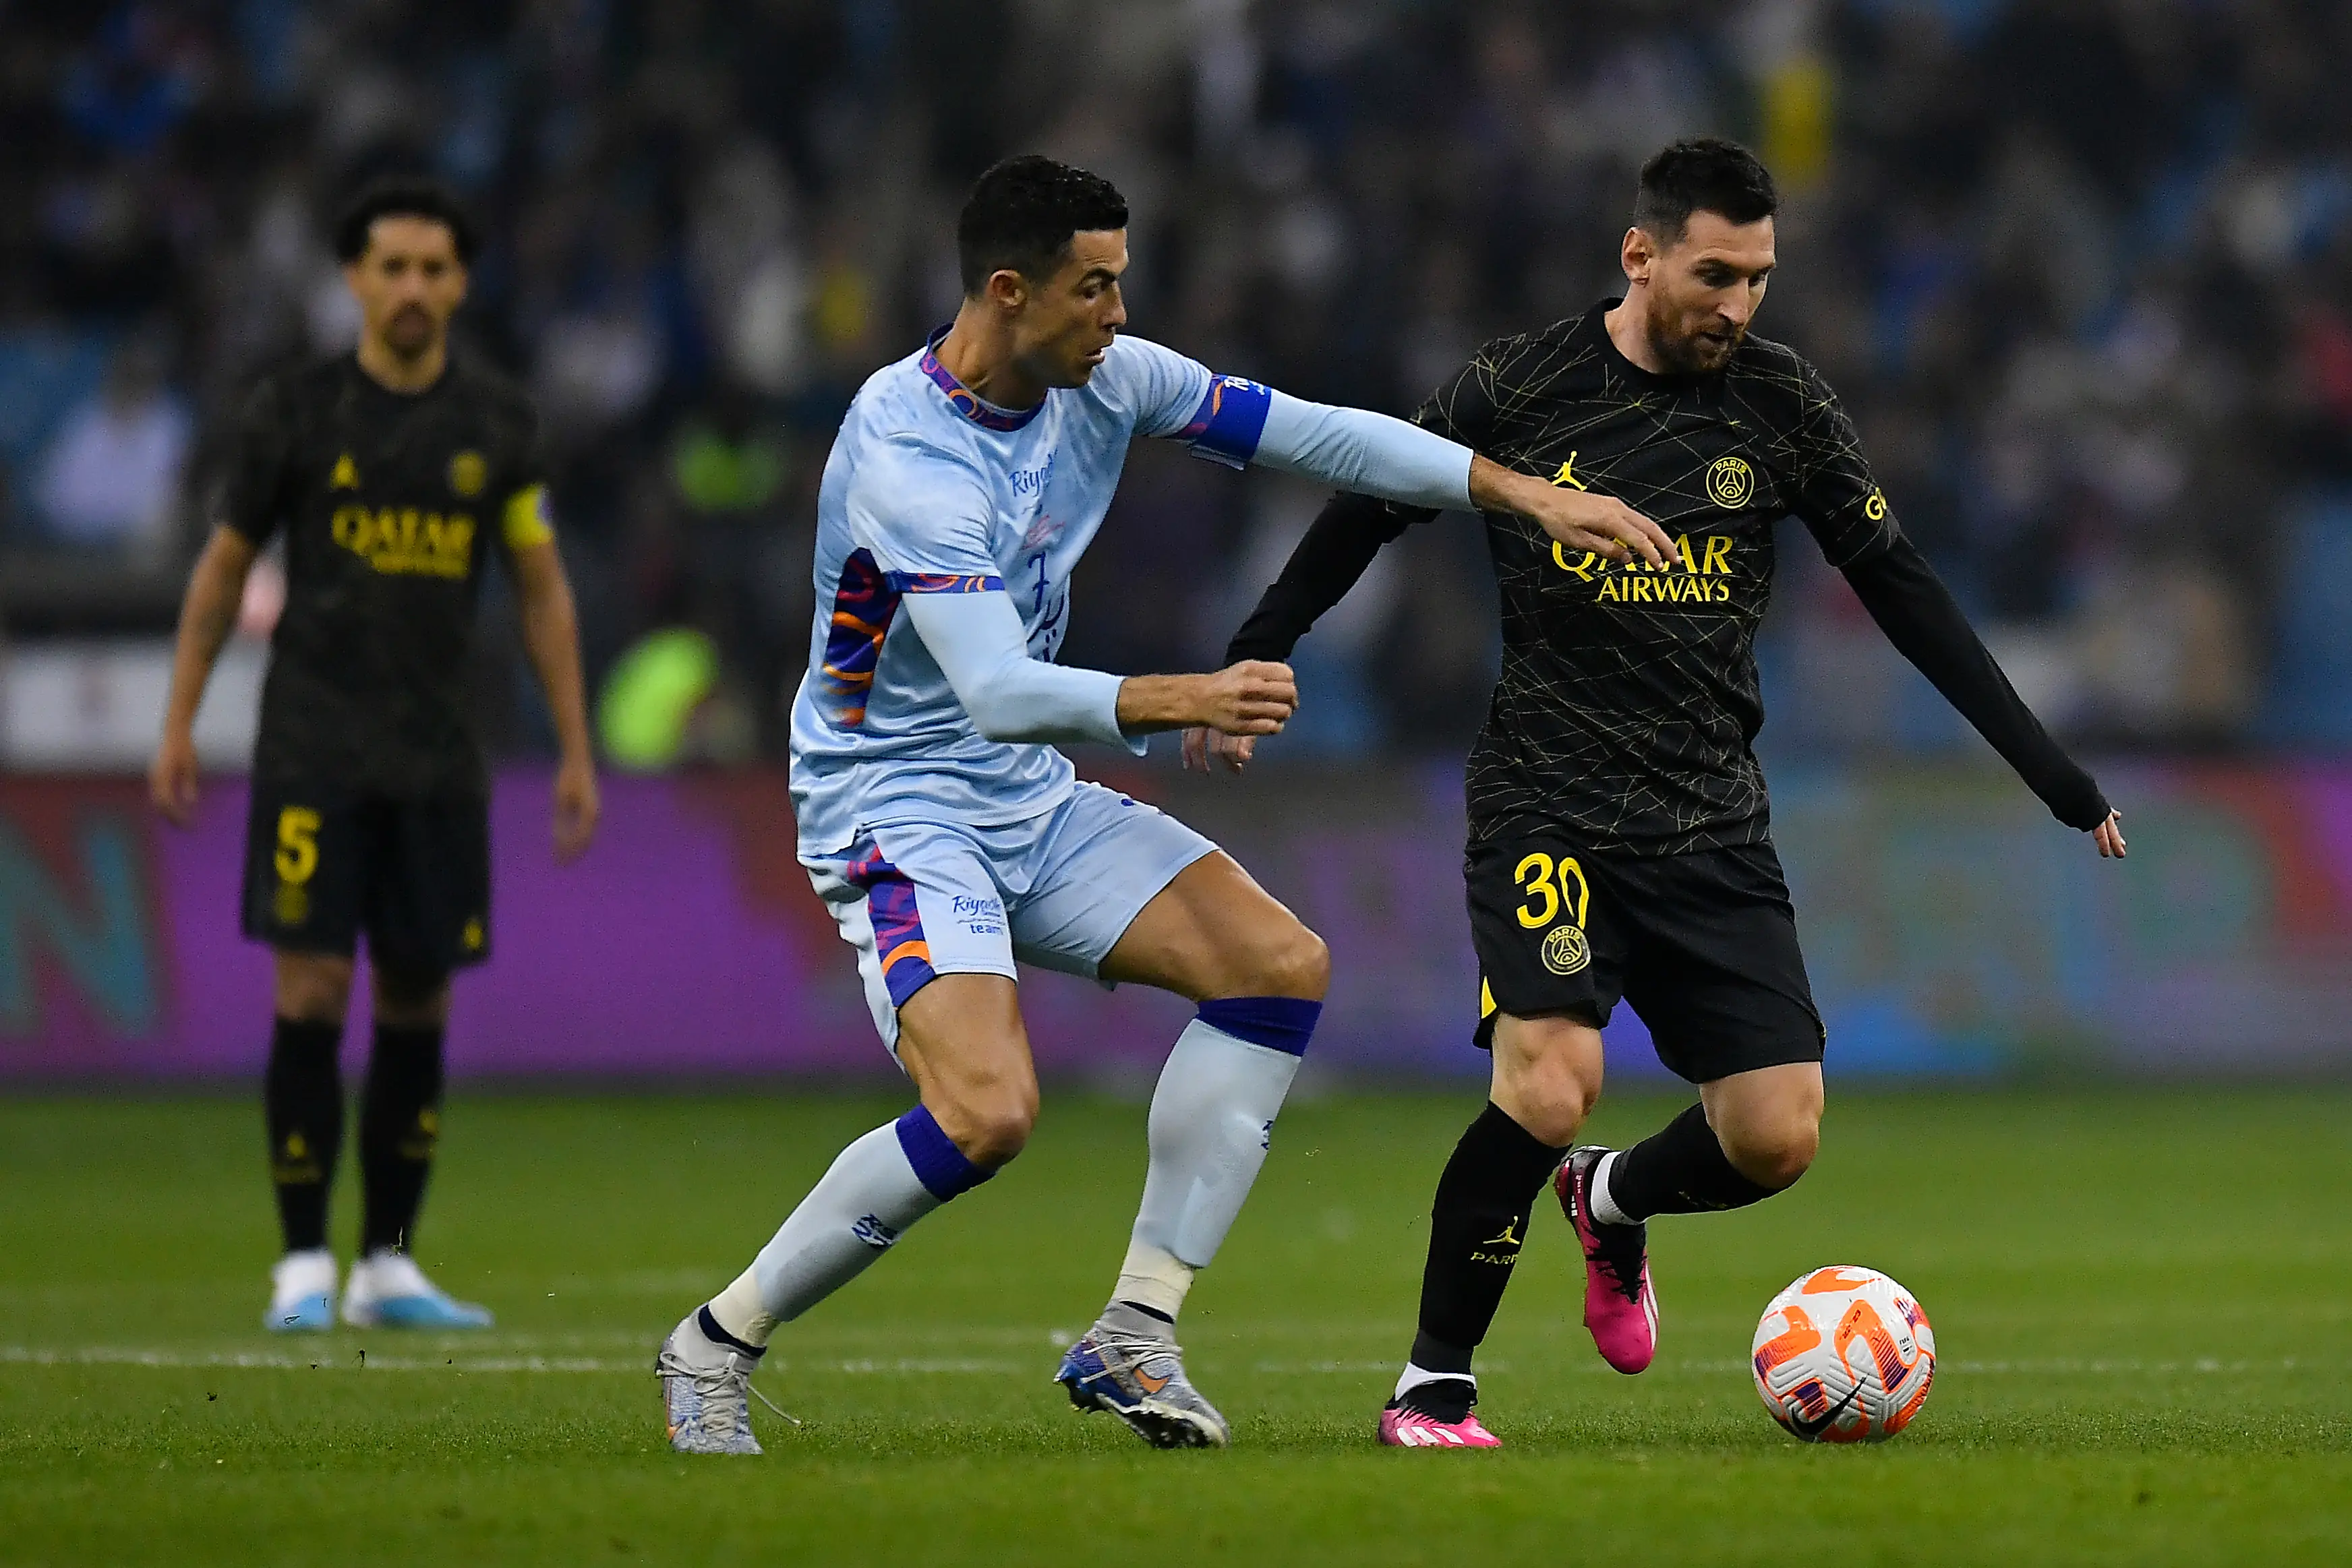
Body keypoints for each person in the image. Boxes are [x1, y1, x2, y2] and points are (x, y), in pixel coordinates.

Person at [653, 154, 1663, 1455]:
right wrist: (1188, 694)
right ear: (1008, 292)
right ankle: (717, 1339)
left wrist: (1521, 494)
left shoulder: (1109, 379)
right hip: (894, 804)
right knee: (986, 1113)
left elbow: (1319, 432)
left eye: (1120, 282)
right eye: (1093, 287)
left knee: (1276, 967)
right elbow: (998, 688)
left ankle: (1136, 1328)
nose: (1118, 313)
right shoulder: (906, 456)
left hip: (1024, 793)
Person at [1197, 138, 2127, 1449]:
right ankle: (1434, 1383)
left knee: (1775, 1134)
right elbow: (1370, 503)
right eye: (1715, 275)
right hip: (1547, 800)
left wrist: (2051, 772)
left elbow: (1902, 588)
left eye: (1759, 278)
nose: (1738, 305)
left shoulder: (1782, 404)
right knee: (1550, 1078)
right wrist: (1258, 646)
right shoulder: (1520, 384)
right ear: (1639, 255)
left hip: (1708, 819)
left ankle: (1610, 1200)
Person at [150, 177, 599, 1334]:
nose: (412, 288)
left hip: (438, 759)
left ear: (460, 283)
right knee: (310, 988)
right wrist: (178, 718)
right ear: (354, 278)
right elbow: (223, 566)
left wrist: (574, 746)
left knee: (418, 997)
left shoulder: (495, 422)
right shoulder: (295, 411)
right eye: (391, 266)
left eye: (432, 269)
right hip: (314, 748)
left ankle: (388, 1263)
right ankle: (302, 1258)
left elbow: (540, 587)